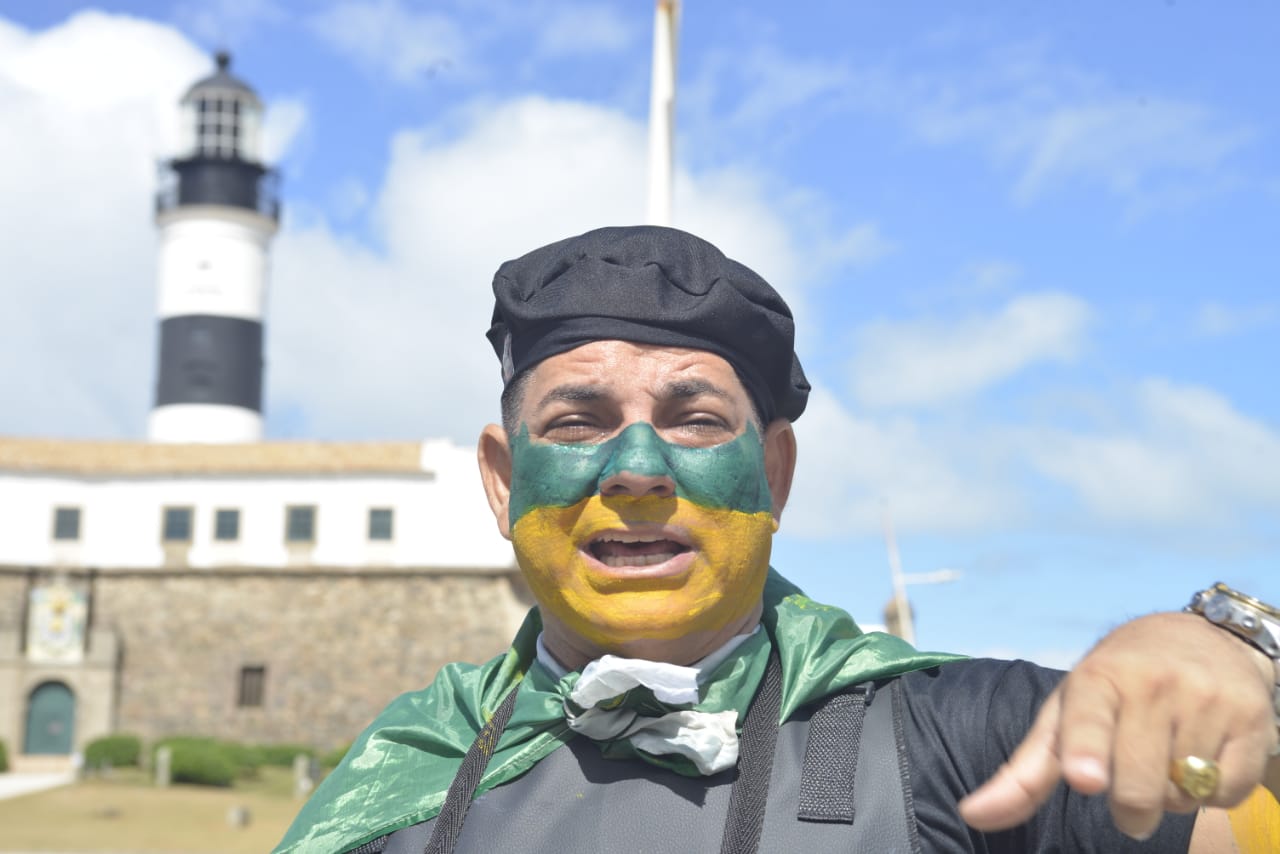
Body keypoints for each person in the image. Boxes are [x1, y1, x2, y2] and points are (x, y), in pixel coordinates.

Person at [276, 226, 1280, 853]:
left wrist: (1231, 655)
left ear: (776, 475)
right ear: (502, 480)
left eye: (695, 419)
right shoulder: (400, 772)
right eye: (577, 420)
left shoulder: (965, 736)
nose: (635, 468)